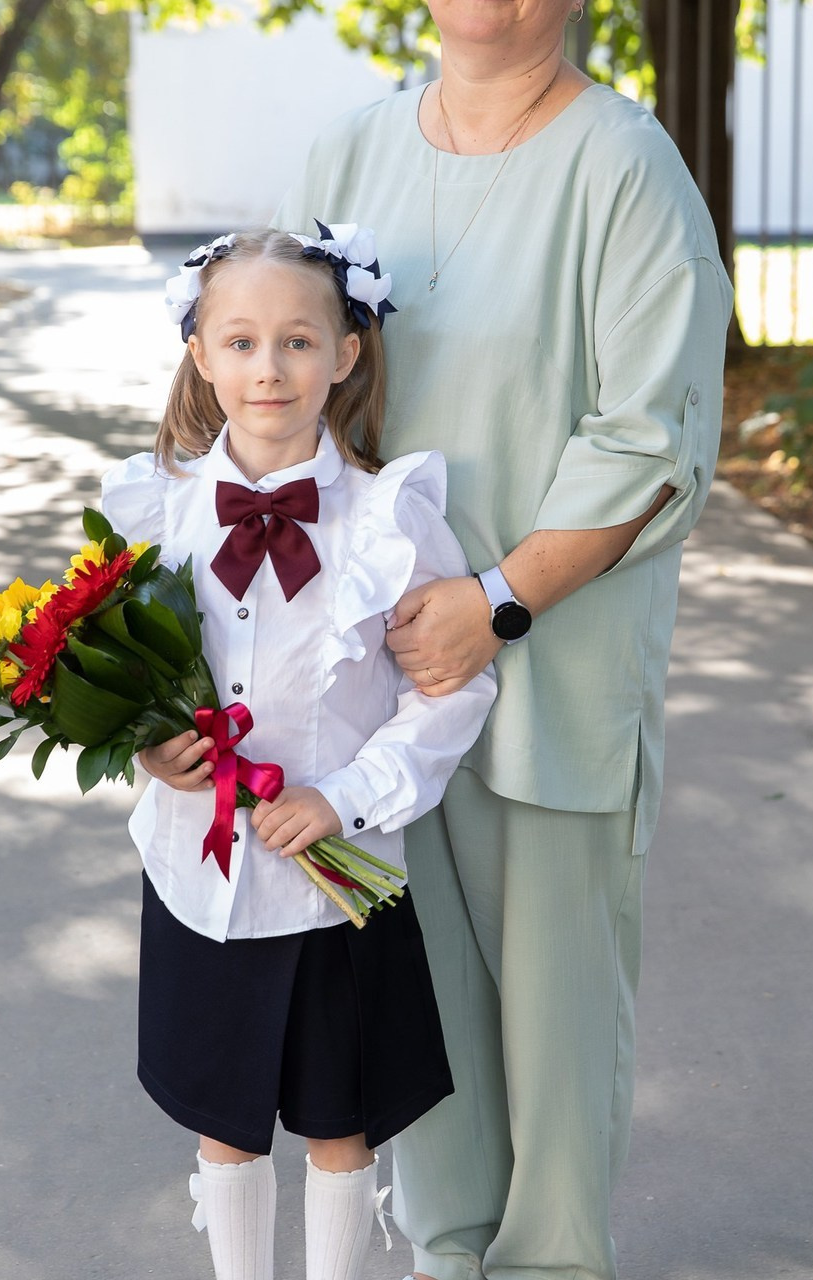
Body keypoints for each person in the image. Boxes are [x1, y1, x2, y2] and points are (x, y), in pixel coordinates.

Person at [272, 5, 733, 1278]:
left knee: (553, 1020)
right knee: (416, 1012)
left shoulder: (626, 169)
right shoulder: (346, 159)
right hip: (379, 689)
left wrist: (496, 600)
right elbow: (277, 386)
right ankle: (447, 1254)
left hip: (547, 671)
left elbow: (651, 440)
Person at [100, 224, 497, 1280]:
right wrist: (147, 745)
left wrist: (345, 798)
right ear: (199, 353)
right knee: (221, 1117)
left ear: (347, 351)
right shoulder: (160, 513)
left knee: (339, 1122)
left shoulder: (389, 519)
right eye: (237, 342)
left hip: (332, 887)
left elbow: (454, 689)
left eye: (296, 342)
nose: (267, 369)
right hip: (201, 870)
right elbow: (123, 673)